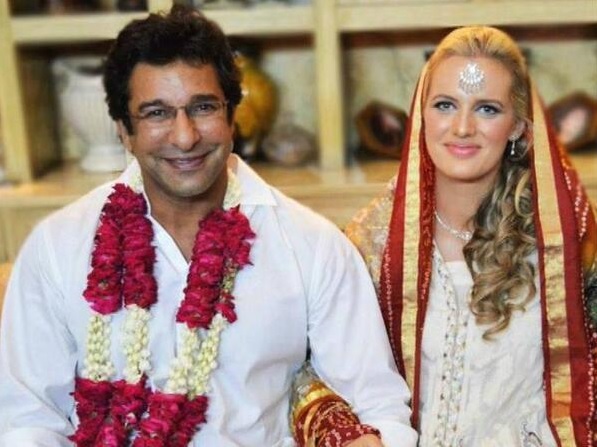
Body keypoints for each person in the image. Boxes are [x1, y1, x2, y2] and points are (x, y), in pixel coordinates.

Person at [0, 6, 418, 447]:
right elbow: (29, 421)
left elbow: (378, 407)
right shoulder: (59, 246)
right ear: (123, 130)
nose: (185, 137)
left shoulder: (312, 247)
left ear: (232, 116)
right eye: (157, 113)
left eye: (202, 108)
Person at [293, 26, 597, 446]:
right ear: (421, 114)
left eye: (487, 109)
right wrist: (350, 435)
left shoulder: (562, 242)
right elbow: (306, 371)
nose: (462, 127)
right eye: (445, 105)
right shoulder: (370, 243)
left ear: (517, 127)